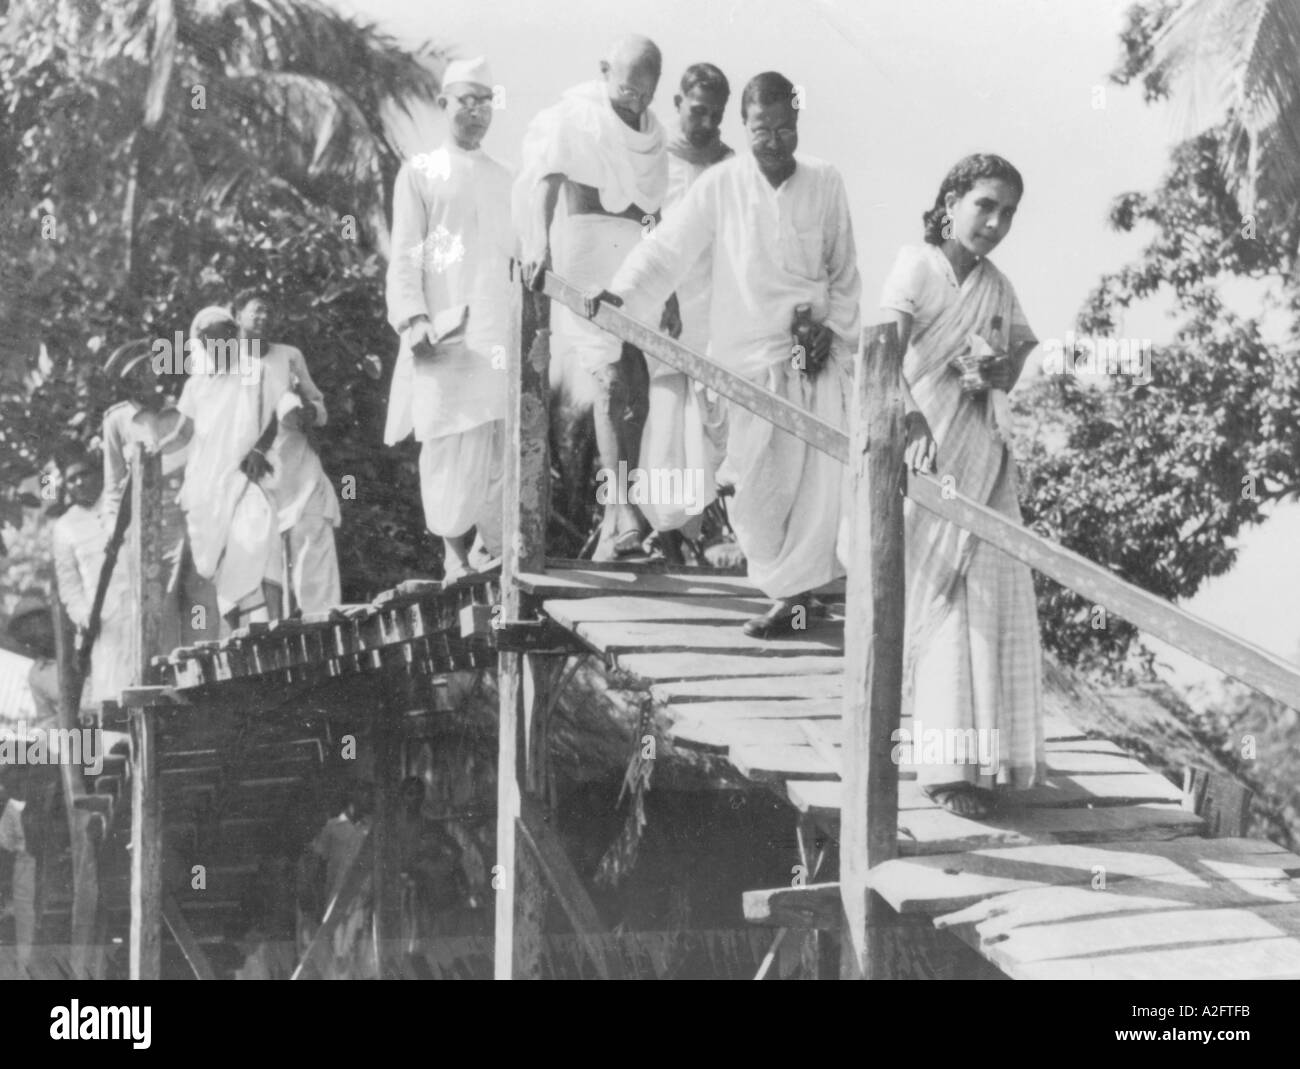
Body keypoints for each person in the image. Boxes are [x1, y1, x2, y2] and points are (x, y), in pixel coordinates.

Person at [604, 72, 934, 636]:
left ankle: (799, 601)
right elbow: (667, 250)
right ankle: (789, 589)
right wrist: (618, 292)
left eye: (785, 129)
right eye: (762, 131)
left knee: (813, 482)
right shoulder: (720, 184)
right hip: (746, 360)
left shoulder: (826, 180)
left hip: (811, 354)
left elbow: (843, 269)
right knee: (754, 489)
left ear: (798, 123)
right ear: (745, 127)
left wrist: (829, 326)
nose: (775, 142)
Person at [879, 152, 1046, 817]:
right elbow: (883, 355)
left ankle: (978, 764)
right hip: (928, 457)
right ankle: (941, 765)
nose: (997, 222)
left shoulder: (998, 286)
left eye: (1008, 212)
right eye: (986, 205)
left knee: (985, 600)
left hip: (983, 458)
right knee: (939, 604)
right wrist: (914, 417)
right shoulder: (916, 264)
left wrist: (997, 369)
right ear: (951, 200)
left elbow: (1023, 346)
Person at [516, 34, 673, 560]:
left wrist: (666, 286)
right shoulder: (577, 114)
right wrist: (539, 242)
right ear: (605, 69)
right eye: (628, 89)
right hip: (586, 245)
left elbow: (654, 215)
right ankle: (622, 512)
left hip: (636, 256)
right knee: (606, 377)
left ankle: (618, 519)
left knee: (637, 380)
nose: (636, 103)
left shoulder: (655, 134)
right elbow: (547, 179)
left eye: (646, 95)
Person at [384, 55, 513, 582]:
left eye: (485, 102)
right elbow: (404, 253)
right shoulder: (419, 172)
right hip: (442, 332)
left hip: (495, 331)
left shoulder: (508, 179)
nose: (477, 112)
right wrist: (412, 319)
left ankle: (490, 548)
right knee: (447, 445)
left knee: (495, 446)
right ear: (444, 105)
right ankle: (453, 556)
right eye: (467, 101)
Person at [639, 62, 735, 561]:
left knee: (709, 413)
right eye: (699, 111)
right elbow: (648, 225)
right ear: (677, 104)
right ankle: (665, 526)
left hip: (713, 296)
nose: (707, 124)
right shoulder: (657, 158)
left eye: (717, 115)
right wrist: (665, 294)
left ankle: (699, 523)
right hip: (668, 294)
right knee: (668, 406)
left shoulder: (730, 164)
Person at [166, 307, 284, 632]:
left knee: (259, 532)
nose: (219, 345)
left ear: (234, 338)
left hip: (243, 472)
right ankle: (234, 631)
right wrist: (151, 454)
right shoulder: (196, 385)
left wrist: (259, 449)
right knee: (221, 561)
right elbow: (182, 434)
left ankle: (275, 623)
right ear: (201, 345)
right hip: (205, 485)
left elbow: (273, 417)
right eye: (210, 341)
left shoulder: (253, 371)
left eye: (224, 338)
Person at [233, 289, 342, 615]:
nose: (264, 318)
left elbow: (319, 404)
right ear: (237, 316)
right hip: (253, 474)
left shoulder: (289, 355)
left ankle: (322, 622)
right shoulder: (226, 362)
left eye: (269, 311)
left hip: (297, 466)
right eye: (256, 311)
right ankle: (265, 631)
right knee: (259, 559)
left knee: (310, 543)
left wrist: (307, 411)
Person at [102, 346, 217, 649]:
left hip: (191, 512)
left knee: (199, 590)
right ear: (126, 381)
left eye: (149, 368)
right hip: (149, 524)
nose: (146, 377)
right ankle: (165, 663)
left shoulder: (182, 409)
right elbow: (113, 485)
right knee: (158, 598)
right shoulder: (118, 421)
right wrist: (112, 531)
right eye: (136, 374)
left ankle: (201, 649)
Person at [51, 454, 133, 707]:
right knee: (115, 699)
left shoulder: (120, 504)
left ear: (98, 473)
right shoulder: (64, 527)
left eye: (83, 474)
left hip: (142, 606)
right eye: (71, 479)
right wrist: (82, 615)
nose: (78, 482)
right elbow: (69, 587)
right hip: (106, 621)